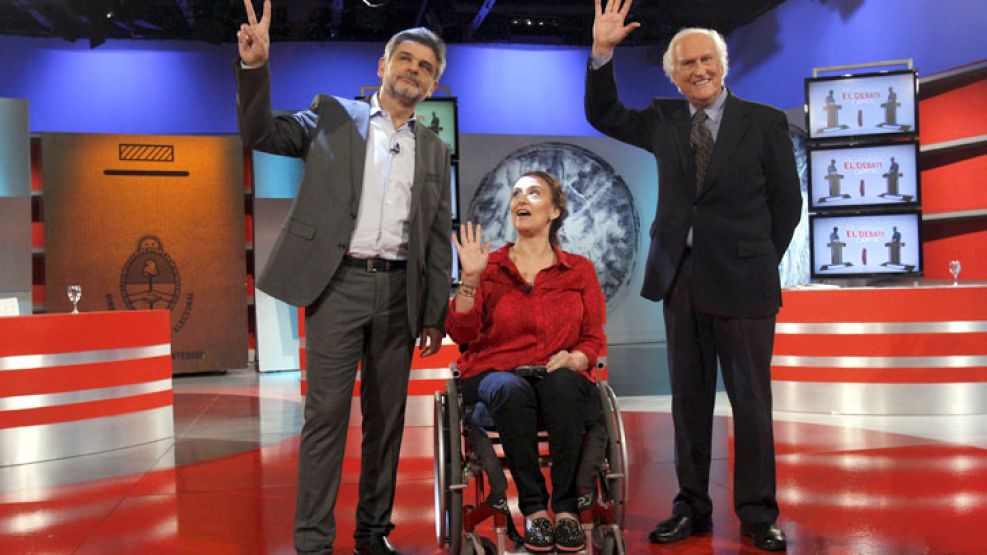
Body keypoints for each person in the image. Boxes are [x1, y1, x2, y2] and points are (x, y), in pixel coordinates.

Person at [235, 2, 452, 554]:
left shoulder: (434, 148)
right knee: (325, 419)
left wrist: (434, 313)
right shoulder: (332, 115)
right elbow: (261, 133)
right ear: (383, 65)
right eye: (404, 59)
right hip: (337, 287)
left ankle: (373, 533)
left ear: (433, 82)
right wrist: (256, 69)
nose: (413, 70)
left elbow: (434, 235)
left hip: (401, 295)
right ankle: (313, 541)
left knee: (388, 424)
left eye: (425, 66)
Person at [584, 0, 802, 551]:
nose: (699, 70)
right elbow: (604, 115)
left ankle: (757, 513)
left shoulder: (765, 122)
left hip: (746, 284)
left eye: (707, 60)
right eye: (686, 64)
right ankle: (692, 507)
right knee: (689, 402)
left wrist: (755, 257)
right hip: (680, 282)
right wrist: (602, 53)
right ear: (673, 75)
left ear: (723, 65)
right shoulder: (662, 120)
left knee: (752, 403)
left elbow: (786, 205)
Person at [445, 171, 606, 553]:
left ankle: (565, 510)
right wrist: (469, 278)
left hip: (557, 375)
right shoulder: (491, 267)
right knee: (509, 388)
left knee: (565, 384)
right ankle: (534, 511)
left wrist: (576, 357)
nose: (522, 199)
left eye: (534, 193)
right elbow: (462, 332)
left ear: (554, 210)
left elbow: (593, 338)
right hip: (494, 375)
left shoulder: (578, 270)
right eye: (516, 193)